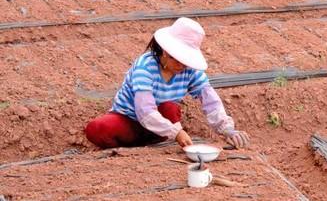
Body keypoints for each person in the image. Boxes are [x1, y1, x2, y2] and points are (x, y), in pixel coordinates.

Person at [84, 18, 250, 151]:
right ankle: (131, 149)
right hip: (130, 120)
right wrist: (175, 132)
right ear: (166, 51)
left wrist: (227, 129)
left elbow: (209, 99)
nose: (183, 65)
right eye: (179, 59)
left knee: (169, 107)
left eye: (186, 60)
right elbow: (145, 111)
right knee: (97, 128)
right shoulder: (145, 67)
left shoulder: (189, 70)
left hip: (159, 128)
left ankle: (156, 142)